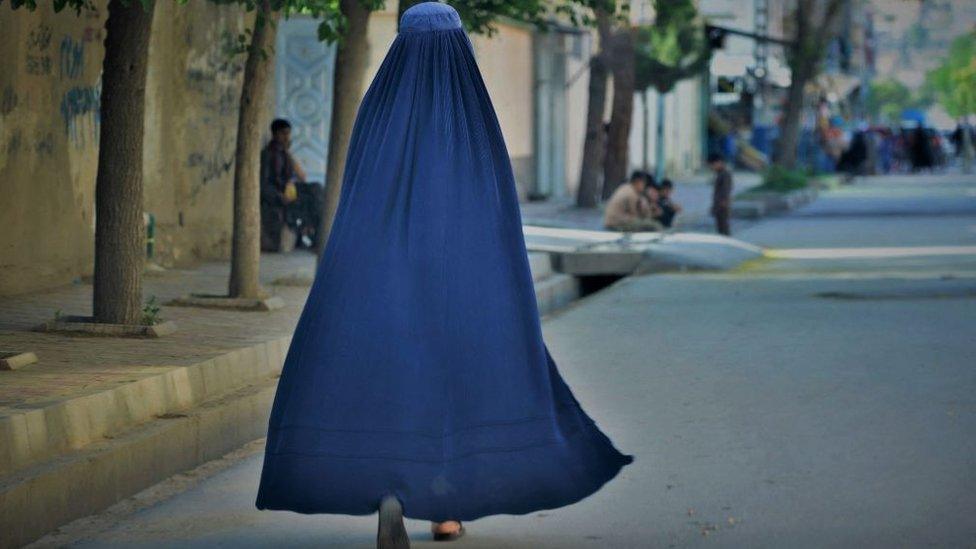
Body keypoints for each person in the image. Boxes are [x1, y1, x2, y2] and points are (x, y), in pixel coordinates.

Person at [254, 4, 634, 548]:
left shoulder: (378, 111)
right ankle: (446, 507)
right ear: (461, 47)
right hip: (458, 284)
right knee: (451, 386)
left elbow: (354, 202)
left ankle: (392, 496)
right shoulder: (471, 117)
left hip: (382, 281)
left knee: (392, 385)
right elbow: (494, 212)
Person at [260, 119, 323, 251]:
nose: (287, 137)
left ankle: (317, 239)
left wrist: (287, 152)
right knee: (312, 198)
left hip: (289, 190)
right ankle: (315, 240)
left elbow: (302, 176)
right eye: (283, 133)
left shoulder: (284, 153)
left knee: (317, 190)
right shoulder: (268, 154)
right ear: (275, 134)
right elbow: (264, 183)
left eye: (288, 133)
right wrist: (279, 196)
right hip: (278, 194)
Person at [708, 152, 733, 236]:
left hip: (722, 207)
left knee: (724, 230)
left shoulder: (725, 174)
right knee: (720, 230)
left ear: (719, 162)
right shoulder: (719, 174)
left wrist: (722, 204)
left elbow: (726, 190)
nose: (712, 167)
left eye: (713, 165)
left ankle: (727, 247)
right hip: (719, 206)